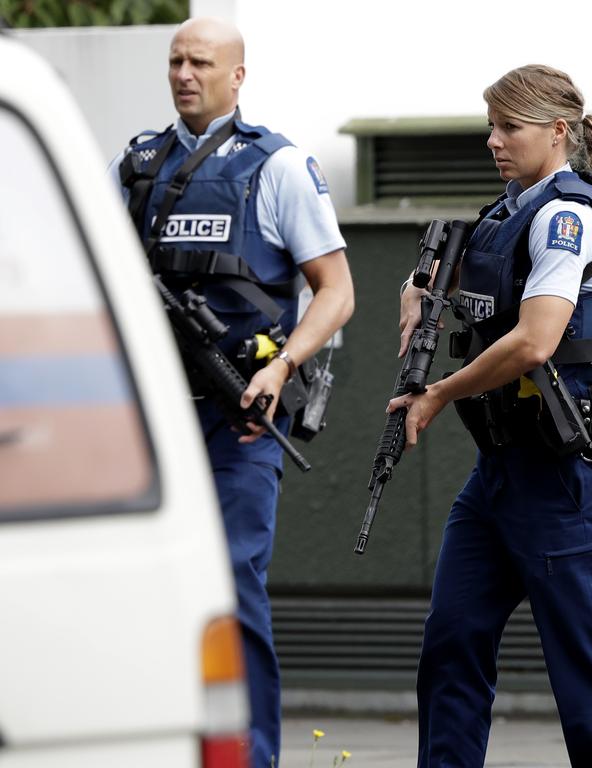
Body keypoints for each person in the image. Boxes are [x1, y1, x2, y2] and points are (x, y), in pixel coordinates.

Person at [108, 17, 354, 767]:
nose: (184, 73)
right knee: (149, 595)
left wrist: (280, 368)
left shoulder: (275, 166)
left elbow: (337, 292)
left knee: (233, 587)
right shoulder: (138, 165)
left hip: (239, 421)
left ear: (237, 75)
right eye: (176, 60)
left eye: (201, 62)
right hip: (154, 423)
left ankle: (251, 758)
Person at [390, 64, 592, 767]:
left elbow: (536, 338)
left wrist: (441, 392)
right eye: (491, 127)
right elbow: (467, 283)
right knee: (451, 643)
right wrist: (415, 289)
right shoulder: (509, 210)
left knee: (583, 672)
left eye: (510, 127)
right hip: (499, 474)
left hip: (567, 477)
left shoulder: (567, 216)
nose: (493, 141)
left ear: (558, 132)